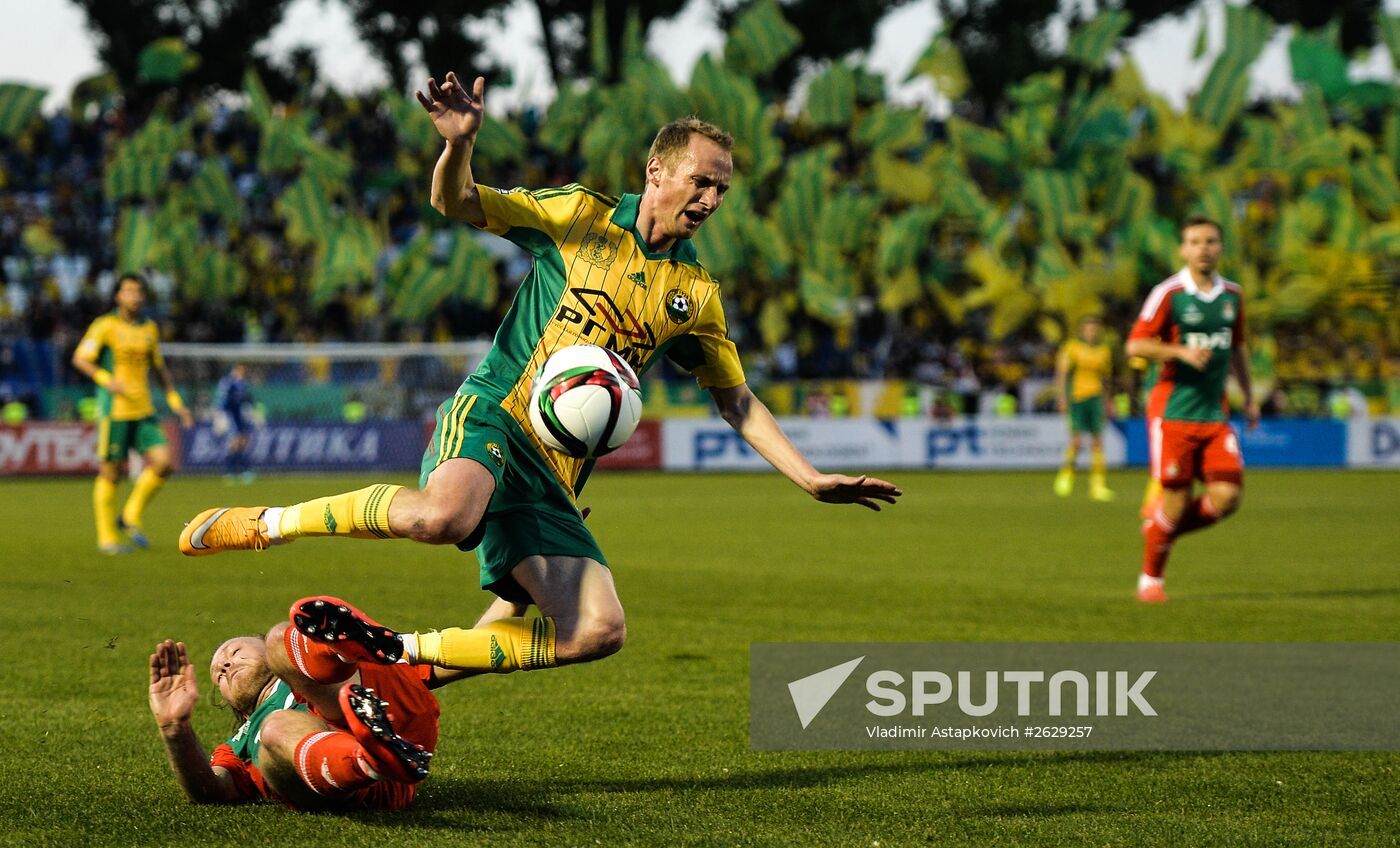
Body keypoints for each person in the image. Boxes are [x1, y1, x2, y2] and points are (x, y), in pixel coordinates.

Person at [180, 72, 901, 677]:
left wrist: (810, 479)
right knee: (442, 516)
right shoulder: (579, 216)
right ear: (657, 171)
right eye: (701, 182)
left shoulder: (694, 296)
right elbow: (454, 202)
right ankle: (268, 523)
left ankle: (397, 661)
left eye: (722, 190)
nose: (711, 200)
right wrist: (459, 145)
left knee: (597, 630)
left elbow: (737, 402)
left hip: (556, 476)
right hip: (497, 410)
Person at [147, 595, 453, 811]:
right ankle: (368, 759)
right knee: (274, 728)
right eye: (218, 675)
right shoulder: (239, 743)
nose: (225, 666)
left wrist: (501, 600)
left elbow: (441, 661)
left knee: (282, 637)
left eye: (236, 651)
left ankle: (342, 657)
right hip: (356, 783)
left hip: (393, 713)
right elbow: (212, 790)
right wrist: (175, 729)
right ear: (235, 707)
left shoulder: (285, 660)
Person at [1125, 216, 1258, 603]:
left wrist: (1248, 396)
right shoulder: (1169, 294)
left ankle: (1161, 529)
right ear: (1183, 250)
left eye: (1211, 241)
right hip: (1174, 414)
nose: (1203, 248)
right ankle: (1151, 580)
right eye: (1195, 241)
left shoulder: (1233, 296)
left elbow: (1237, 349)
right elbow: (1136, 346)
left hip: (1215, 416)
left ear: (1221, 248)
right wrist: (1179, 350)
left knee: (1227, 497)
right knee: (1177, 501)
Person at [72, 273, 195, 554]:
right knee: (111, 472)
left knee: (164, 462)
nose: (135, 296)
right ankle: (107, 538)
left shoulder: (149, 329)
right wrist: (106, 380)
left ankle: (129, 515)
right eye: (128, 291)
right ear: (118, 296)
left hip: (144, 410)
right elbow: (80, 359)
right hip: (115, 411)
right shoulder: (105, 326)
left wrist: (177, 404)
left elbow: (160, 371)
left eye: (139, 292)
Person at [1052, 315, 1115, 502]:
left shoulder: (1104, 351)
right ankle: (1066, 474)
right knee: (1076, 441)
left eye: (1094, 328)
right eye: (1088, 328)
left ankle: (1097, 485)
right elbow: (1062, 374)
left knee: (1097, 441)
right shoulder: (1072, 348)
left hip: (1095, 398)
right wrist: (1062, 396)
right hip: (1077, 397)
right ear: (1082, 330)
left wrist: (1107, 401)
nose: (1091, 332)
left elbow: (1106, 379)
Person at [213, 363, 258, 484]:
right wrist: (220, 415)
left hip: (241, 417)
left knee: (243, 442)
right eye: (239, 370)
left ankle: (242, 470)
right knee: (235, 443)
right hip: (231, 416)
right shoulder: (228, 383)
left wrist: (252, 412)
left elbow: (248, 399)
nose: (241, 373)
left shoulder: (243, 384)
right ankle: (230, 471)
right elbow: (222, 399)